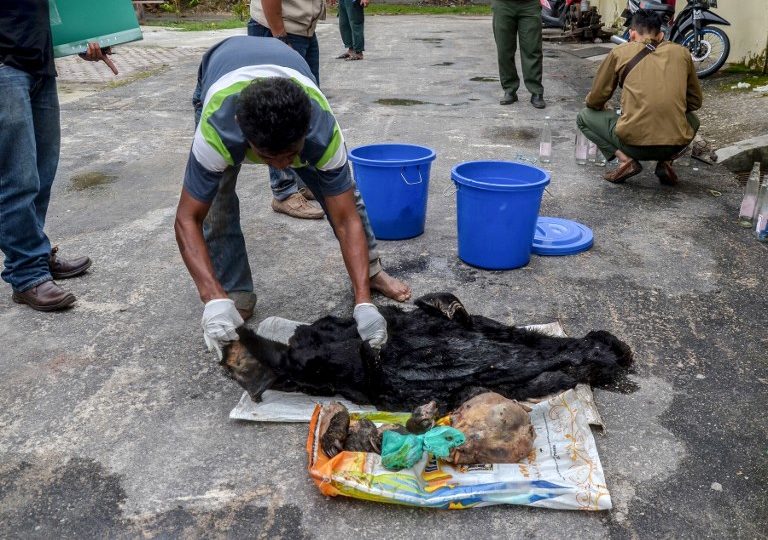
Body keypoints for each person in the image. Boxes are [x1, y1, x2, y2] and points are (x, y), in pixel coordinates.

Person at [175, 36, 412, 358]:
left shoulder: (322, 131)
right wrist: (212, 297)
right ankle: (233, 291)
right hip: (220, 68)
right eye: (270, 157)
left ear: (306, 130)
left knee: (345, 197)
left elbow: (345, 219)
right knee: (217, 202)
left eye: (292, 154)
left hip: (285, 65)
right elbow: (188, 218)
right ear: (243, 136)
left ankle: (369, 276)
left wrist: (362, 302)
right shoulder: (217, 131)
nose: (284, 166)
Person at [0, 2, 117, 312]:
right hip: (4, 67)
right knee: (17, 177)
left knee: (41, 171)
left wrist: (83, 41)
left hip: (38, 62)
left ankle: (34, 256)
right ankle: (26, 274)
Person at [576, 9, 702, 185]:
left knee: (583, 117)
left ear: (632, 33)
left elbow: (595, 100)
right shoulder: (681, 53)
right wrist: (670, 109)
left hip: (632, 145)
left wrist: (602, 107)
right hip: (673, 143)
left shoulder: (620, 52)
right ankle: (666, 161)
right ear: (661, 34)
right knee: (693, 120)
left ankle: (626, 160)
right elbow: (695, 101)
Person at [247, 0, 326, 220]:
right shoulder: (280, 36)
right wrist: (280, 37)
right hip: (279, 31)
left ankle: (301, 183)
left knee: (305, 109)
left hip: (303, 30)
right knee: (279, 114)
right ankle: (284, 191)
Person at [491, 0, 545, 109]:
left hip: (530, 5)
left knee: (532, 48)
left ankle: (536, 92)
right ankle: (509, 89)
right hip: (503, 5)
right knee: (504, 50)